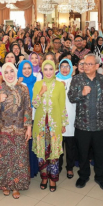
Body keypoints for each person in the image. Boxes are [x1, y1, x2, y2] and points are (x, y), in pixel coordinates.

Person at [68, 54, 103, 191]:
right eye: (84, 64)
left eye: (89, 64)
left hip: (100, 124)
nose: (85, 66)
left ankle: (100, 177)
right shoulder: (77, 79)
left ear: (97, 66)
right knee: (83, 153)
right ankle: (83, 176)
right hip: (83, 124)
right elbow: (71, 97)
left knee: (100, 153)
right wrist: (81, 93)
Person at [0, 62, 32, 199]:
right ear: (3, 74)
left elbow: (27, 108)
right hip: (3, 130)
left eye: (11, 71)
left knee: (19, 158)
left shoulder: (23, 88)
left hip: (20, 129)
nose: (9, 75)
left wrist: (29, 127)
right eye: (6, 72)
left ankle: (16, 186)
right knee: (5, 159)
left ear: (15, 72)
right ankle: (5, 185)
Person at [32, 60, 68, 192]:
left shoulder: (59, 85)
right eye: (45, 69)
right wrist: (40, 92)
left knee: (54, 152)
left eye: (50, 69)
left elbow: (62, 105)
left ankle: (53, 178)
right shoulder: (37, 85)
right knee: (41, 152)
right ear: (42, 70)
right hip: (40, 125)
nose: (48, 72)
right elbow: (35, 104)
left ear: (54, 70)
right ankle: (44, 177)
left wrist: (63, 123)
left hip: (54, 124)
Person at [18, 59, 41, 179]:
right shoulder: (18, 84)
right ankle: (24, 170)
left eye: (29, 68)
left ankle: (33, 169)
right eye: (24, 68)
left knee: (33, 144)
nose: (27, 71)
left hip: (35, 116)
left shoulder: (36, 82)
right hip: (22, 119)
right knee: (24, 144)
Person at [57, 59, 77, 179]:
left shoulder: (75, 80)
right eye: (62, 66)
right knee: (58, 144)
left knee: (70, 145)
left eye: (67, 66)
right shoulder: (55, 80)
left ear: (71, 68)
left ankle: (70, 167)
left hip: (72, 116)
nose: (64, 69)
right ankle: (58, 166)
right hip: (58, 117)